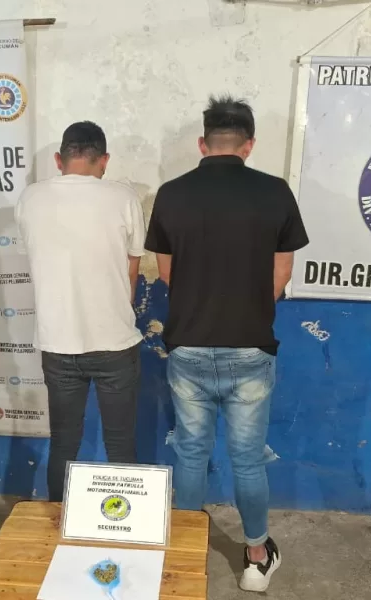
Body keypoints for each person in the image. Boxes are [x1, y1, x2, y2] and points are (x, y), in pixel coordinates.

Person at [144, 96, 308, 593]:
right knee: (248, 458)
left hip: (189, 346)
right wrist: (249, 306)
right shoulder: (275, 191)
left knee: (191, 454)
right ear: (249, 145)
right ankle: (256, 558)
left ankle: (184, 553)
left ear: (203, 143)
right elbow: (282, 272)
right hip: (250, 345)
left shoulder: (171, 194)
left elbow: (167, 273)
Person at [15, 121, 145, 502]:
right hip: (115, 342)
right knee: (120, 444)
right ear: (104, 160)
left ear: (59, 160)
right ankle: (124, 525)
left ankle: (58, 523)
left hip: (57, 343)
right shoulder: (124, 198)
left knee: (64, 443)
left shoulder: (30, 199)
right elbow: (132, 270)